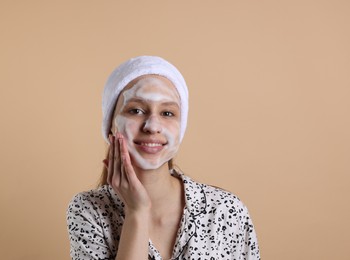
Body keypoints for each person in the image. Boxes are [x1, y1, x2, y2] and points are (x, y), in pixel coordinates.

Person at [66, 56, 260, 260]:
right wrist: (137, 212)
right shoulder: (89, 210)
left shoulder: (226, 211)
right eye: (136, 110)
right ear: (110, 127)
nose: (152, 126)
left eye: (167, 113)